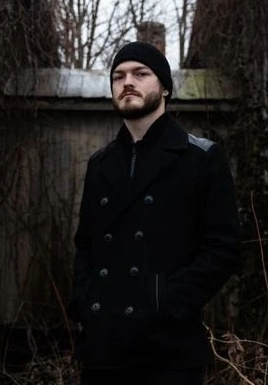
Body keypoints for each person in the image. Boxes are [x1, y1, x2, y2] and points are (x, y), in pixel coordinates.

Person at [67, 41, 240, 385]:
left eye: (140, 73)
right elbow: (86, 244)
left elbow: (223, 249)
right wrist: (84, 302)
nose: (127, 82)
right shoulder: (100, 164)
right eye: (118, 76)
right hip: (103, 347)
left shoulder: (201, 157)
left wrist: (165, 300)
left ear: (165, 88)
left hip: (168, 349)